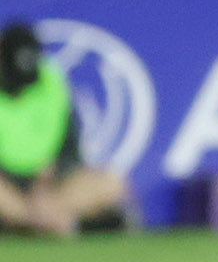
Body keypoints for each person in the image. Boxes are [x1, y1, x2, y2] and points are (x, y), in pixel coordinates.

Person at [0, 19, 126, 234]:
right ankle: (53, 223)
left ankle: (31, 223)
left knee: (111, 183)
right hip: (7, 185)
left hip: (49, 186)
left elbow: (71, 150)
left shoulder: (51, 84)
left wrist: (48, 178)